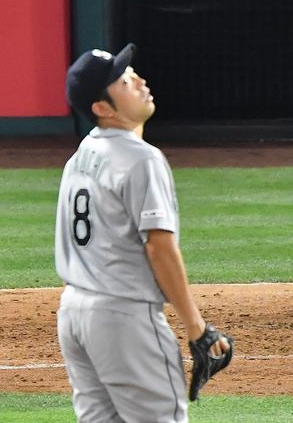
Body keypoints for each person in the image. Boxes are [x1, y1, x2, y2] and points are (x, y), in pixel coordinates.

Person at [56, 44, 233, 422]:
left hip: (74, 315)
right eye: (123, 80)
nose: (138, 80)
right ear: (102, 108)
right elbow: (160, 249)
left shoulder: (81, 154)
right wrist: (195, 326)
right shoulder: (141, 158)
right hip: (123, 317)